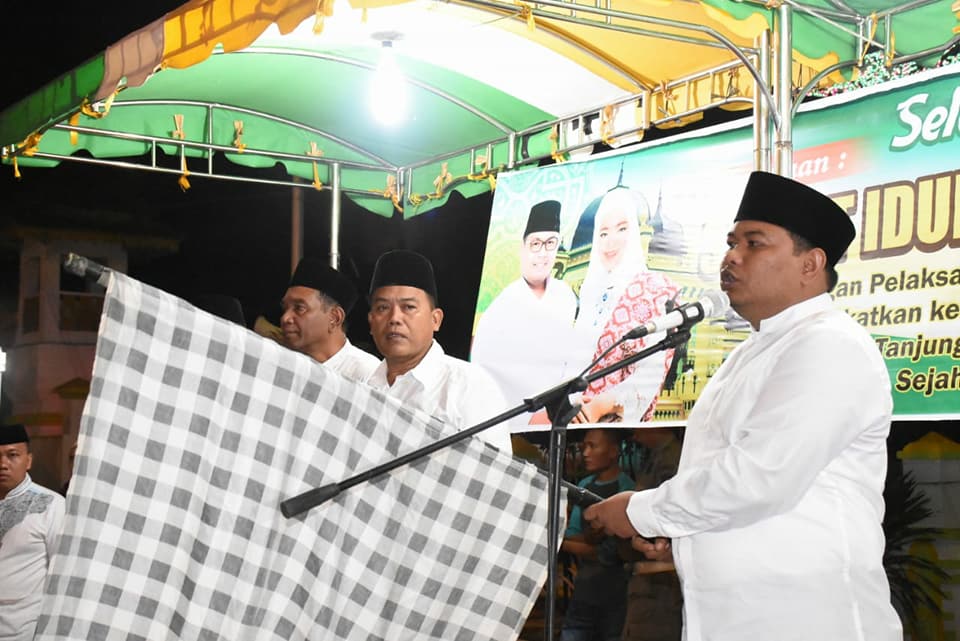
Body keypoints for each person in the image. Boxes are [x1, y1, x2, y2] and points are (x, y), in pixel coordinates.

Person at [583, 171, 903, 640]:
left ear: (811, 264)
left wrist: (642, 511)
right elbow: (724, 489)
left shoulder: (831, 344)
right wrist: (682, 537)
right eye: (732, 243)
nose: (732, 256)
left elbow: (759, 478)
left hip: (808, 620)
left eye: (754, 243)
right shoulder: (748, 354)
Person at [364, 249, 513, 453]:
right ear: (371, 321)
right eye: (382, 308)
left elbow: (493, 469)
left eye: (408, 307)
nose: (395, 318)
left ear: (435, 320)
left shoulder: (468, 386)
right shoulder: (365, 387)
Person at [572, 186, 680, 424]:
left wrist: (601, 405)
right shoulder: (588, 293)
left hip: (612, 426)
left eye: (622, 229)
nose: (610, 241)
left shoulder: (653, 289)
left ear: (635, 233)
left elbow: (650, 373)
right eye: (603, 233)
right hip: (568, 420)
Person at [470, 200, 577, 411]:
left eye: (550, 243)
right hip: (514, 410)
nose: (543, 253)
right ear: (523, 247)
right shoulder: (503, 305)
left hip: (559, 406)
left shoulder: (565, 295)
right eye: (536, 244)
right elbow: (484, 373)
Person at [559, 428, 634, 641]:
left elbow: (609, 553)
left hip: (615, 592)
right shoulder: (584, 486)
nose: (585, 453)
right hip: (585, 588)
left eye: (593, 446)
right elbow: (575, 534)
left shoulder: (626, 489)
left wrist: (558, 541)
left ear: (613, 451)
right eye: (584, 447)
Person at [0, 424, 66, 641]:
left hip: (24, 629)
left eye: (12, 455)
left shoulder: (51, 505)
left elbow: (61, 572)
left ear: (28, 460)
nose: (3, 464)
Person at [619, 428, 684, 641]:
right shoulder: (658, 455)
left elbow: (671, 513)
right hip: (651, 573)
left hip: (661, 581)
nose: (633, 432)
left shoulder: (672, 459)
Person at [280, 257, 379, 382]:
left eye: (299, 308)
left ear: (335, 318)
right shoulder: (283, 366)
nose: (285, 318)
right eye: (284, 308)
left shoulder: (366, 374)